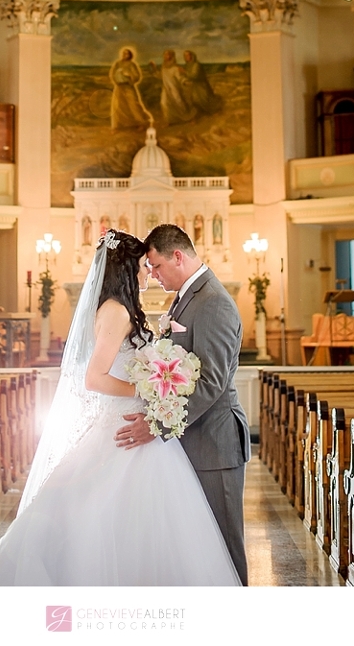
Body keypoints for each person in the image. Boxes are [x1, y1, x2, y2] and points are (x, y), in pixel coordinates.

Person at [0, 229, 240, 586]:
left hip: (141, 426)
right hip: (126, 426)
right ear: (126, 270)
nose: (149, 272)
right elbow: (94, 377)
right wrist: (145, 389)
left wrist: (155, 393)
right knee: (110, 520)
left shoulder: (132, 308)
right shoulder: (117, 312)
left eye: (153, 265)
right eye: (143, 266)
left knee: (135, 522)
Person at [116, 223, 250, 585]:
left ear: (177, 255)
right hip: (193, 438)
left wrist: (156, 425)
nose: (152, 274)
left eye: (156, 266)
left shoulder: (213, 302)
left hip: (214, 445)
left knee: (224, 545)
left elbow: (211, 383)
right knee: (201, 546)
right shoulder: (189, 296)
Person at [108, 47, 149, 129]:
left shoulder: (132, 64)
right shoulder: (117, 63)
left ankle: (142, 123)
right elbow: (112, 74)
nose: (124, 55)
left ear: (130, 55)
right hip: (119, 87)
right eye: (123, 53)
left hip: (128, 86)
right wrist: (116, 79)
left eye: (126, 53)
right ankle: (117, 125)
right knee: (118, 106)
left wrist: (129, 75)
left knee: (133, 105)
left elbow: (137, 76)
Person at [159, 48, 194, 125]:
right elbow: (161, 77)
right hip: (165, 89)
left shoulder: (175, 67)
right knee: (163, 103)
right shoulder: (163, 67)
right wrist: (154, 70)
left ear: (171, 56)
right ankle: (169, 120)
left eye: (168, 54)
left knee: (179, 102)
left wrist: (185, 81)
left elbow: (180, 77)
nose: (166, 56)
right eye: (165, 54)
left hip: (174, 88)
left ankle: (188, 118)